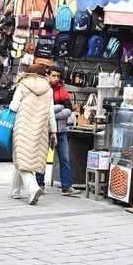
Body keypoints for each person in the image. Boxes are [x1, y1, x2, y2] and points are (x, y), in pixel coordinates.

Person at [9, 63, 57, 205]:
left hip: (23, 125)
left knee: (22, 158)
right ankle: (15, 191)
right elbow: (51, 113)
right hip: (40, 128)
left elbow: (14, 106)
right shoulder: (48, 89)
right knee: (25, 157)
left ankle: (33, 188)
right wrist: (53, 132)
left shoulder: (23, 85)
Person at [36, 65, 80, 196]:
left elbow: (68, 111)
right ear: (48, 76)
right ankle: (39, 185)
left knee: (65, 158)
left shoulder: (63, 91)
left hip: (61, 131)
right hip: (45, 130)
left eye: (58, 76)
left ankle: (67, 186)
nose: (56, 78)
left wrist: (51, 113)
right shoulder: (43, 89)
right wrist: (58, 108)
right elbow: (41, 110)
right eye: (53, 76)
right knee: (41, 158)